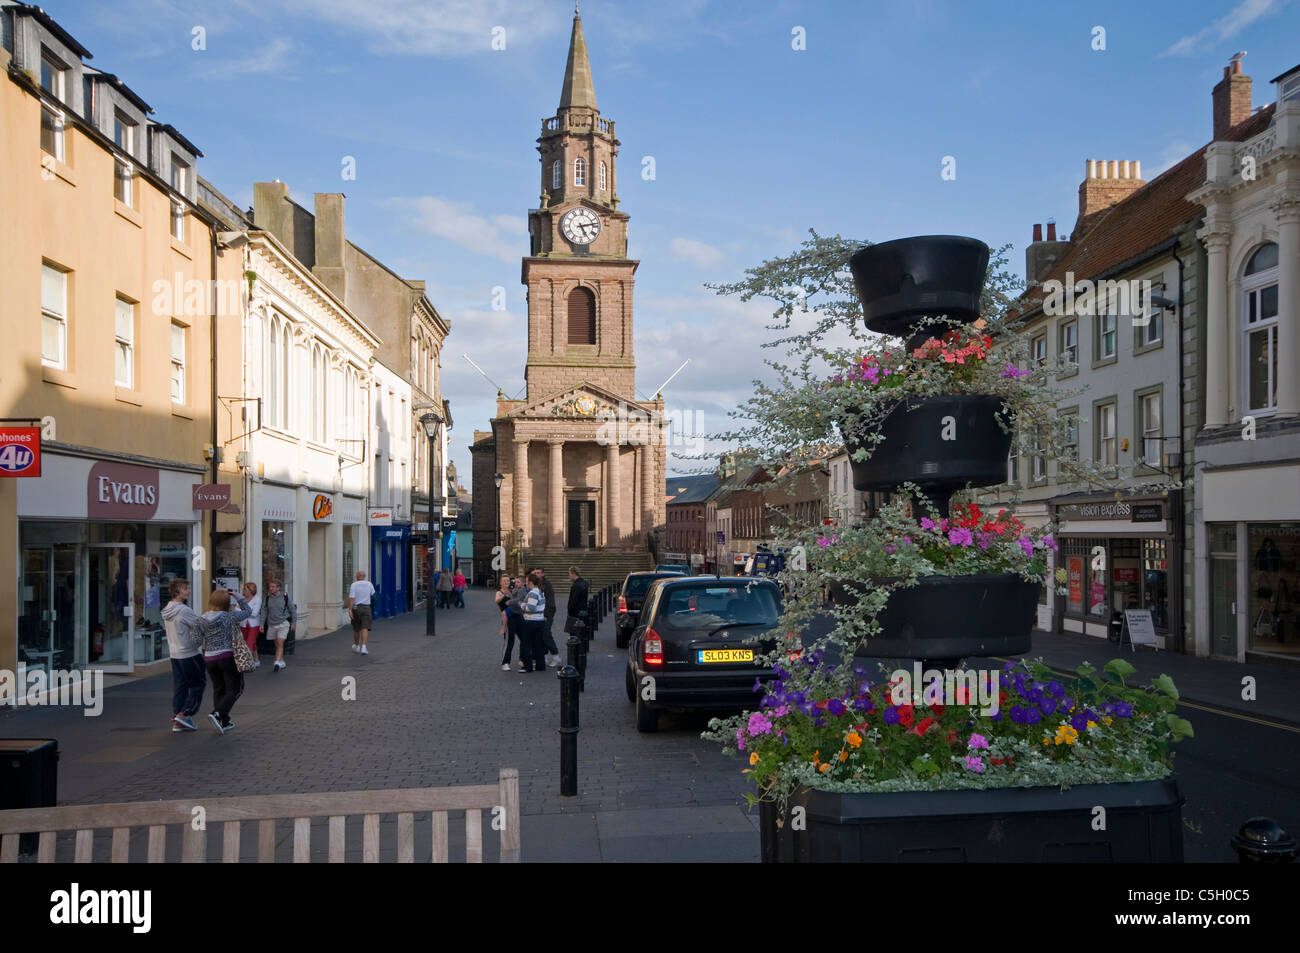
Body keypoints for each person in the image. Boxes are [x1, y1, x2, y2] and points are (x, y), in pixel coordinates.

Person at [200, 588, 251, 734]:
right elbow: (248, 612)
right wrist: (238, 597)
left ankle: (224, 721)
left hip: (209, 658)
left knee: (218, 689)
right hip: (226, 657)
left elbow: (195, 639)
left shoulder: (202, 618)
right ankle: (218, 713)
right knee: (235, 689)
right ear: (226, 603)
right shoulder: (229, 616)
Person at [161, 578, 205, 732]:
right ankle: (184, 714)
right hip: (189, 653)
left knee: (180, 686)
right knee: (198, 684)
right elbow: (200, 625)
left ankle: (177, 719)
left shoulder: (168, 609)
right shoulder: (184, 610)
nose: (189, 591)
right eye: (186, 588)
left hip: (174, 653)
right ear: (178, 590)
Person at [260, 579, 296, 672]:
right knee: (277, 644)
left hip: (283, 623)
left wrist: (293, 622)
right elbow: (264, 611)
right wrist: (261, 624)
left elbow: (292, 610)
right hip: (272, 624)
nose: (270, 588)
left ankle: (276, 662)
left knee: (280, 642)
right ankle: (281, 661)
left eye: (273, 587)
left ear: (278, 588)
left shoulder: (285, 597)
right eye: (270, 587)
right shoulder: (267, 598)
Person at [518, 570, 547, 673]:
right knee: (537, 643)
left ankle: (528, 666)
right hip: (539, 621)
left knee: (526, 644)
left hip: (531, 621)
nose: (525, 583)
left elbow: (531, 608)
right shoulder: (541, 591)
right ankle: (540, 665)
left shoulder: (533, 593)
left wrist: (521, 604)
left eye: (526, 581)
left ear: (530, 582)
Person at [346, 569, 376, 655]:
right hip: (366, 608)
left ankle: (356, 646)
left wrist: (350, 610)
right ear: (364, 577)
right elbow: (373, 595)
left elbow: (352, 598)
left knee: (356, 628)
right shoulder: (369, 584)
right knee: (365, 628)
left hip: (356, 608)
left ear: (357, 577)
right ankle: (364, 646)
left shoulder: (353, 585)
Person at [536, 567, 560, 667]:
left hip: (547, 613)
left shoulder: (547, 584)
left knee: (546, 634)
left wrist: (545, 615)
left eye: (538, 573)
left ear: (543, 574)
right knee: (541, 635)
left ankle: (556, 656)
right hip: (539, 614)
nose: (537, 574)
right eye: (535, 572)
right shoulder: (536, 584)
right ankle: (544, 656)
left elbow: (550, 601)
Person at [239, 582, 262, 670]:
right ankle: (256, 660)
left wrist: (243, 611)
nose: (244, 591)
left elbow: (255, 613)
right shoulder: (241, 599)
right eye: (244, 589)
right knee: (250, 643)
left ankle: (248, 663)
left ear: (251, 590)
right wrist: (247, 611)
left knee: (249, 643)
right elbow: (236, 611)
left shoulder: (257, 599)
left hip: (253, 625)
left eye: (245, 589)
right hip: (243, 624)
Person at [565, 565, 590, 642]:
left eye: (569, 574)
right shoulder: (584, 583)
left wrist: (569, 611)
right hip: (583, 611)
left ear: (573, 573)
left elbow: (573, 601)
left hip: (575, 614)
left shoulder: (576, 586)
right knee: (580, 634)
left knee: (574, 636)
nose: (569, 576)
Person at [495, 574, 514, 671]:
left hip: (517, 617)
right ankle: (505, 662)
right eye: (504, 581)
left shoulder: (512, 591)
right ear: (500, 582)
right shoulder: (499, 592)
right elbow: (497, 601)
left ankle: (524, 659)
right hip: (506, 618)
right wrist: (504, 595)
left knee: (524, 638)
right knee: (509, 641)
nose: (506, 582)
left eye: (507, 580)